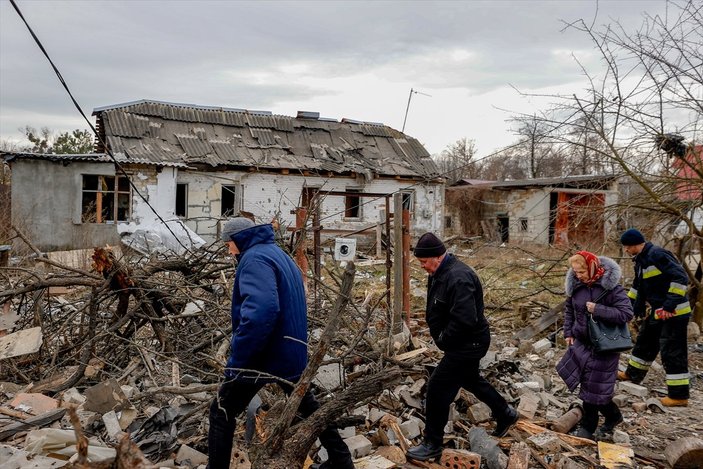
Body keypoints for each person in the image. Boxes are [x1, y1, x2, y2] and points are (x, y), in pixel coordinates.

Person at [207, 217, 354, 469]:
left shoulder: (254, 259)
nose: (228, 251)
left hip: (263, 355)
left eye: (228, 244)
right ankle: (341, 459)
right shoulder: (278, 254)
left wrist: (240, 357)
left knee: (221, 411)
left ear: (238, 240)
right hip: (290, 351)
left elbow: (262, 311)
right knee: (309, 407)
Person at [406, 233, 518, 461]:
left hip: (468, 343)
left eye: (424, 262)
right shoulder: (439, 272)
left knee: (437, 388)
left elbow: (465, 320)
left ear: (437, 257)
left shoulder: (459, 277)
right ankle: (505, 413)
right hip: (462, 341)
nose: (423, 267)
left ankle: (433, 443)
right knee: (470, 378)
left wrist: (444, 339)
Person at [556, 252, 634, 440]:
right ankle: (614, 416)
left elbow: (626, 313)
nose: (578, 275)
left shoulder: (612, 289)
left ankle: (588, 427)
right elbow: (569, 310)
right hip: (582, 344)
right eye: (575, 272)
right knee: (591, 386)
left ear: (592, 267)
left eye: (581, 271)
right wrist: (568, 333)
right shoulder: (577, 287)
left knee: (593, 389)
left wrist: (598, 309)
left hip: (605, 347)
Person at [618, 228, 691, 407]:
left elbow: (681, 278)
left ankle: (679, 395)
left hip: (674, 312)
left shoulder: (657, 255)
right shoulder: (641, 261)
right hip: (659, 311)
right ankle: (633, 374)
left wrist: (669, 305)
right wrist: (631, 306)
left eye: (627, 247)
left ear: (636, 244)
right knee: (646, 341)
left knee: (672, 351)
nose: (626, 251)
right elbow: (638, 287)